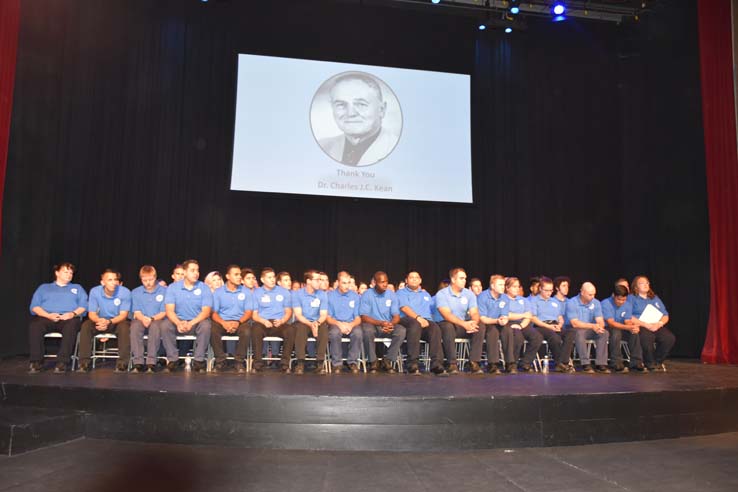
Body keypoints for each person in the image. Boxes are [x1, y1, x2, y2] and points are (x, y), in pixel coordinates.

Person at [318, 72, 400, 166]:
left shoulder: (397, 149)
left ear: (381, 110)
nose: (351, 113)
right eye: (341, 105)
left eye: (361, 104)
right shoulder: (323, 145)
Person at [28, 262, 88, 373]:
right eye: (66, 272)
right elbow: (34, 306)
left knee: (72, 326)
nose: (69, 275)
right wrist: (48, 315)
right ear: (57, 273)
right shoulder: (44, 288)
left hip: (68, 318)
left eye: (71, 273)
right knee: (35, 326)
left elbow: (84, 306)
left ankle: (62, 362)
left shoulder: (77, 288)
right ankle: (36, 362)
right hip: (47, 317)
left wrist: (72, 314)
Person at [160, 259, 213, 373]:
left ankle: (199, 361)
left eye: (197, 270)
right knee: (165, 325)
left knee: (206, 325)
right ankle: (173, 359)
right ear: (184, 272)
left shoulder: (204, 288)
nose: (196, 273)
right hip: (178, 322)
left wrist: (191, 323)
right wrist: (179, 322)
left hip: (196, 322)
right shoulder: (173, 288)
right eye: (192, 270)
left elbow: (206, 312)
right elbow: (169, 310)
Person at [78, 269, 132, 372]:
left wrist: (109, 322)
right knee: (86, 326)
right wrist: (99, 321)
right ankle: (84, 363)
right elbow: (92, 314)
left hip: (116, 321)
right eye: (110, 280)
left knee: (125, 327)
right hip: (100, 320)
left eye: (115, 280)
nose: (113, 282)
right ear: (103, 282)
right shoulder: (95, 291)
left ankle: (122, 363)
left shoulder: (124, 292)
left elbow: (123, 315)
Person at [435, 268, 483, 375]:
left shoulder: (469, 294)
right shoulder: (442, 294)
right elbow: (446, 314)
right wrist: (464, 324)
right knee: (448, 326)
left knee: (480, 325)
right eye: (461, 278)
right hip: (446, 324)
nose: (464, 281)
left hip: (463, 325)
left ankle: (474, 362)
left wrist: (473, 322)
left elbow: (474, 312)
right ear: (453, 279)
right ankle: (452, 363)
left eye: (465, 278)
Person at [397, 271, 445, 375]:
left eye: (417, 277)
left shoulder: (426, 294)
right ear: (406, 280)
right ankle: (412, 364)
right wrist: (418, 318)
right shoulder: (401, 292)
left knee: (435, 327)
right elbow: (404, 308)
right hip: (407, 320)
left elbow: (432, 311)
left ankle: (436, 364)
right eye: (411, 277)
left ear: (420, 280)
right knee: (415, 324)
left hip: (424, 321)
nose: (414, 279)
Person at [250, 268, 297, 373]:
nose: (272, 280)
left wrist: (282, 320)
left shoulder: (284, 292)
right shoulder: (256, 293)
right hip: (263, 322)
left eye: (273, 277)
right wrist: (263, 321)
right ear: (262, 280)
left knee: (290, 330)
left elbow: (288, 311)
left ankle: (284, 364)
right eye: (269, 277)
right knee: (255, 329)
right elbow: (254, 315)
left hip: (279, 322)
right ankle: (257, 364)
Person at [210, 265, 253, 373]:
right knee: (211, 329)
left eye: (240, 275)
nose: (239, 277)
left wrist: (238, 322)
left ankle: (239, 361)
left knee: (247, 330)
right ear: (228, 276)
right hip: (222, 321)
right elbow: (214, 313)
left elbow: (248, 312)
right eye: (236, 274)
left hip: (240, 321)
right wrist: (223, 323)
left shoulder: (246, 291)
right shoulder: (218, 292)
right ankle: (220, 361)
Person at [360, 271, 406, 374]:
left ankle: (388, 360)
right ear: (375, 282)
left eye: (386, 281)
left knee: (401, 331)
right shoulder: (367, 294)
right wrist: (381, 323)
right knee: (367, 330)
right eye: (382, 282)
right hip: (373, 325)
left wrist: (391, 324)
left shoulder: (391, 294)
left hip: (388, 325)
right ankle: (373, 361)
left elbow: (396, 316)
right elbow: (364, 317)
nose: (385, 284)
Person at [530, 276, 576, 373]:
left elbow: (560, 317)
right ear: (540, 289)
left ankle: (563, 362)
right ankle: (560, 363)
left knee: (570, 333)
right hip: (541, 326)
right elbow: (533, 318)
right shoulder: (534, 300)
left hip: (555, 325)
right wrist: (549, 327)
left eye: (550, 290)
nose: (549, 293)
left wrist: (559, 324)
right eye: (546, 290)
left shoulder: (554, 301)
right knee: (554, 337)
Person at [630, 275, 676, 371]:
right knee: (647, 337)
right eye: (642, 283)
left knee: (669, 338)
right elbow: (629, 316)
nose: (646, 285)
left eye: (647, 283)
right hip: (641, 325)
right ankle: (649, 363)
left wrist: (659, 323)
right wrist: (645, 324)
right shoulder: (631, 298)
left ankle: (657, 362)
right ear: (635, 287)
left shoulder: (654, 298)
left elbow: (665, 315)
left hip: (655, 325)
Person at [129, 265, 168, 373]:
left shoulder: (164, 291)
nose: (148, 283)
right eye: (145, 280)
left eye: (150, 279)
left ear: (155, 277)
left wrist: (151, 318)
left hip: (157, 319)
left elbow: (164, 312)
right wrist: (143, 319)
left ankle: (151, 362)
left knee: (155, 327)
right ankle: (138, 362)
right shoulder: (136, 292)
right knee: (135, 326)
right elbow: (136, 311)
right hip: (141, 319)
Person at [566, 282, 611, 374]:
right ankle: (585, 363)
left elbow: (600, 319)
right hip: (575, 329)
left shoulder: (596, 303)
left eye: (594, 294)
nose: (593, 297)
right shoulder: (572, 302)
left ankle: (601, 363)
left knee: (604, 332)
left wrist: (599, 326)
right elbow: (574, 323)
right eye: (590, 294)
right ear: (582, 292)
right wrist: (592, 326)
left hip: (590, 329)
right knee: (579, 333)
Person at [292, 270, 329, 375]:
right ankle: (300, 363)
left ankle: (320, 363)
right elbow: (298, 315)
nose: (320, 282)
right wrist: (311, 324)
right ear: (308, 281)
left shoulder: (322, 294)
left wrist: (316, 323)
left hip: (317, 321)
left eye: (320, 280)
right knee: (300, 329)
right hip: (303, 321)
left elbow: (323, 315)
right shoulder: (298, 294)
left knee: (324, 329)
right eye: (317, 280)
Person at [502, 277, 543, 373]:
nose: (517, 289)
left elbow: (528, 316)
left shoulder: (524, 300)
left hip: (523, 324)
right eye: (514, 286)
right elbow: (506, 315)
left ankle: (526, 362)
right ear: (507, 288)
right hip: (508, 324)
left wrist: (521, 326)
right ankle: (512, 364)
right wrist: (522, 315)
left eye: (518, 286)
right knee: (518, 337)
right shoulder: (503, 299)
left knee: (537, 337)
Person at [601, 284, 645, 373]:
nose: (621, 302)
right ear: (613, 295)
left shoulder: (628, 305)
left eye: (624, 300)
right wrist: (628, 327)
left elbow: (627, 320)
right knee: (616, 332)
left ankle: (636, 362)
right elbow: (611, 323)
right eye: (619, 299)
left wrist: (632, 327)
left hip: (622, 327)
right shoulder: (606, 303)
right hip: (609, 328)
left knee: (634, 332)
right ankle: (616, 362)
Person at [476, 274, 514, 375]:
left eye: (503, 284)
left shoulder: (505, 298)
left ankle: (510, 362)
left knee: (508, 330)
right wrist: (497, 321)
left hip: (498, 322)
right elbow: (482, 318)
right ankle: (493, 364)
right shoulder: (483, 297)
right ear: (492, 286)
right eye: (500, 284)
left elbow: (505, 314)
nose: (503, 287)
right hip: (487, 323)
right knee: (493, 332)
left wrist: (504, 319)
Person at [327, 272, 363, 374]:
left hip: (351, 323)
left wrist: (350, 325)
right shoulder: (330, 296)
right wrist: (339, 324)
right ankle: (337, 364)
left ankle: (352, 362)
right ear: (338, 283)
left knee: (358, 333)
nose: (347, 286)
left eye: (348, 283)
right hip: (335, 323)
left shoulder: (355, 296)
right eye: (344, 283)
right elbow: (328, 318)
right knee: (334, 333)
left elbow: (358, 318)